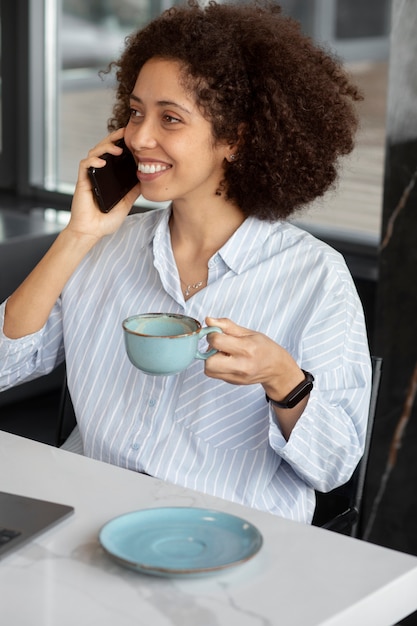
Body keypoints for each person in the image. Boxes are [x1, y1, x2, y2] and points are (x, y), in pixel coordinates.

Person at [0, 0, 371, 522]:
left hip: (230, 543)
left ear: (236, 139)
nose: (138, 137)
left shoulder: (315, 277)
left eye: (170, 118)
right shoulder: (105, 246)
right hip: (86, 517)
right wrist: (79, 233)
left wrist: (283, 379)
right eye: (134, 112)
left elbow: (334, 466)